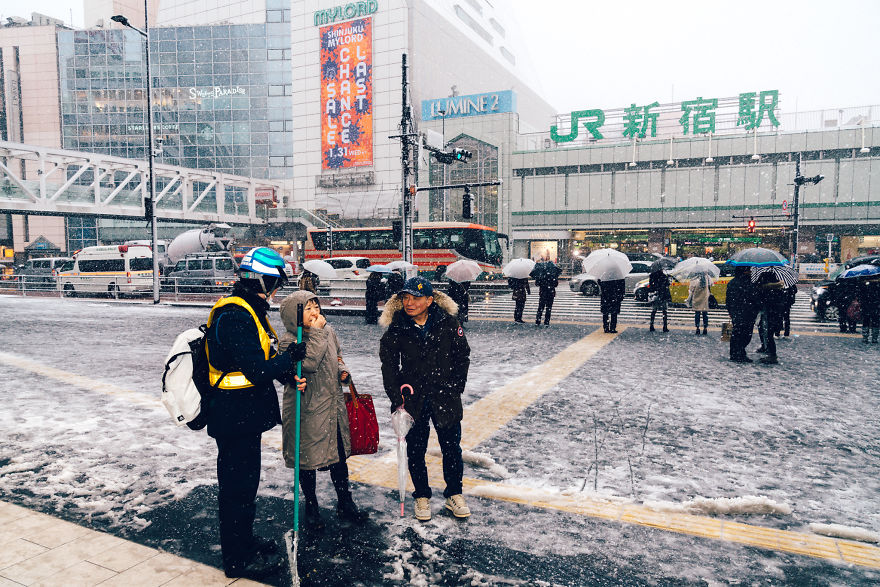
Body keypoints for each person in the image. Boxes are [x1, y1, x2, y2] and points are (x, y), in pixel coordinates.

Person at [204, 247, 306, 580]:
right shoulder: (235, 315)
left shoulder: (249, 310)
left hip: (243, 416)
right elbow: (255, 369)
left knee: (245, 487)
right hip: (233, 418)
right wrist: (290, 358)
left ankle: (245, 541)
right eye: (275, 282)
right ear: (262, 280)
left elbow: (264, 359)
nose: (276, 290)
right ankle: (236, 558)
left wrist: (287, 372)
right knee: (236, 490)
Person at [379, 277, 471, 521]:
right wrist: (395, 393)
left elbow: (463, 356)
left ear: (430, 301)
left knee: (451, 448)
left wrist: (455, 387)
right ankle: (421, 495)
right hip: (412, 399)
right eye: (405, 298)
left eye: (416, 298)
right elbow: (387, 363)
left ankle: (454, 494)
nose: (409, 303)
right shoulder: (397, 327)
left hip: (445, 396)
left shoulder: (448, 323)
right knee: (416, 450)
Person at [278, 291, 367, 530]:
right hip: (307, 409)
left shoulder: (328, 332)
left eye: (315, 305)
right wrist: (316, 333)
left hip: (333, 406)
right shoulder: (289, 339)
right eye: (307, 309)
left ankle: (345, 501)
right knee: (307, 461)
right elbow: (309, 363)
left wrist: (343, 371)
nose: (315, 312)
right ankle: (312, 505)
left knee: (338, 458)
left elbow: (336, 357)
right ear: (294, 314)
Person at [726, 266, 759, 363]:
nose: (750, 272)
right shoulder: (749, 283)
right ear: (745, 271)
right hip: (748, 312)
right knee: (745, 334)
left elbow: (728, 299)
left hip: (736, 312)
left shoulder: (732, 283)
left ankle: (735, 353)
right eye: (749, 270)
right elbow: (754, 298)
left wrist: (730, 311)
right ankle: (740, 353)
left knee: (736, 333)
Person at [755, 273, 786, 364]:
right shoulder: (779, 289)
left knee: (768, 335)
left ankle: (772, 355)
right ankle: (770, 353)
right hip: (776, 316)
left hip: (769, 316)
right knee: (768, 335)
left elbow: (762, 302)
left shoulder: (768, 291)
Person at [857, 276, 880, 344]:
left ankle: (865, 337)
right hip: (875, 305)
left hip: (866, 305)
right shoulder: (877, 284)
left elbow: (860, 295)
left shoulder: (863, 283)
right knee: (875, 321)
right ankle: (874, 338)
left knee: (866, 321)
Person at [648, 267, 671, 333]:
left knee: (654, 310)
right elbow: (667, 285)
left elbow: (651, 285)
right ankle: (665, 326)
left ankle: (651, 325)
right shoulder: (664, 276)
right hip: (663, 295)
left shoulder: (652, 276)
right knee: (664, 311)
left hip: (655, 295)